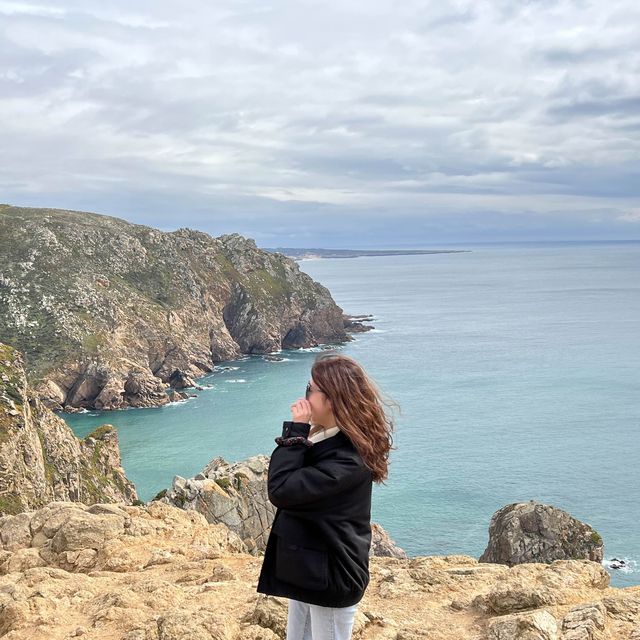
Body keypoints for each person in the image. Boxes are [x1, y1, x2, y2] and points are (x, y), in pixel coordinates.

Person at [256, 352, 398, 639]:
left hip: (332, 574)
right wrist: (302, 435)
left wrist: (296, 432)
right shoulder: (325, 440)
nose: (305, 396)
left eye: (311, 389)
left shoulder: (348, 459)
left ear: (332, 399)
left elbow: (282, 489)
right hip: (309, 568)